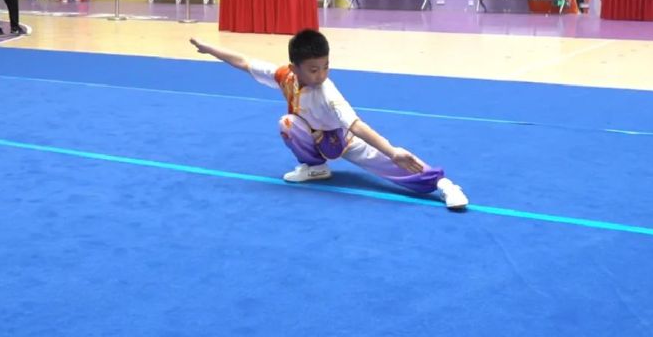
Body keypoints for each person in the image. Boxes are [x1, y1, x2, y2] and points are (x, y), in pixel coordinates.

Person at [189, 30, 469, 209]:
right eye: (313, 69)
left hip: (343, 139)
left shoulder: (328, 92)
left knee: (390, 163)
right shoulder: (284, 76)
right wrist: (211, 49)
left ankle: (444, 185)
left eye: (325, 67)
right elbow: (244, 62)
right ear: (295, 67)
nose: (321, 74)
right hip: (313, 137)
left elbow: (356, 125)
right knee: (287, 124)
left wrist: (392, 150)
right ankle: (316, 168)